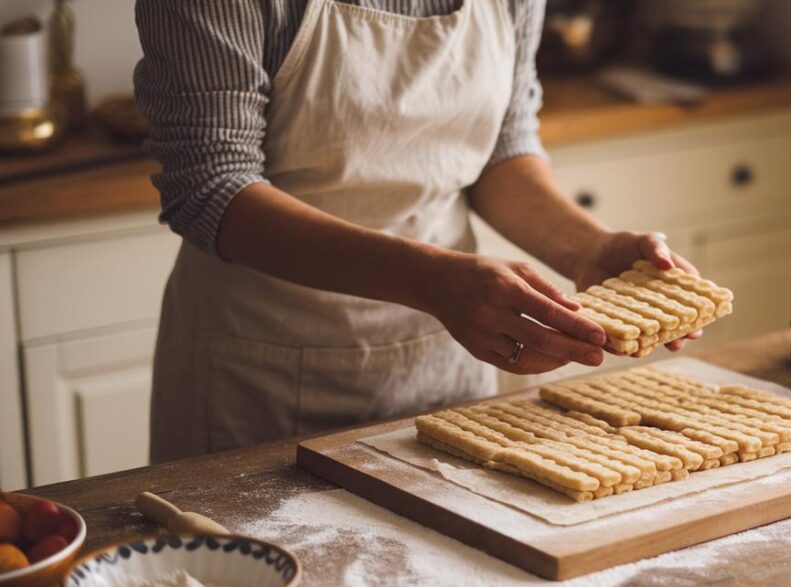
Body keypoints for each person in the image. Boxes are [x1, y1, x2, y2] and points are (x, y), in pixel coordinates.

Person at [134, 0, 701, 462]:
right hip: (261, 375)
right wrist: (430, 280)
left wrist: (590, 247)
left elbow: (502, 149)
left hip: (446, 362)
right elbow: (211, 188)